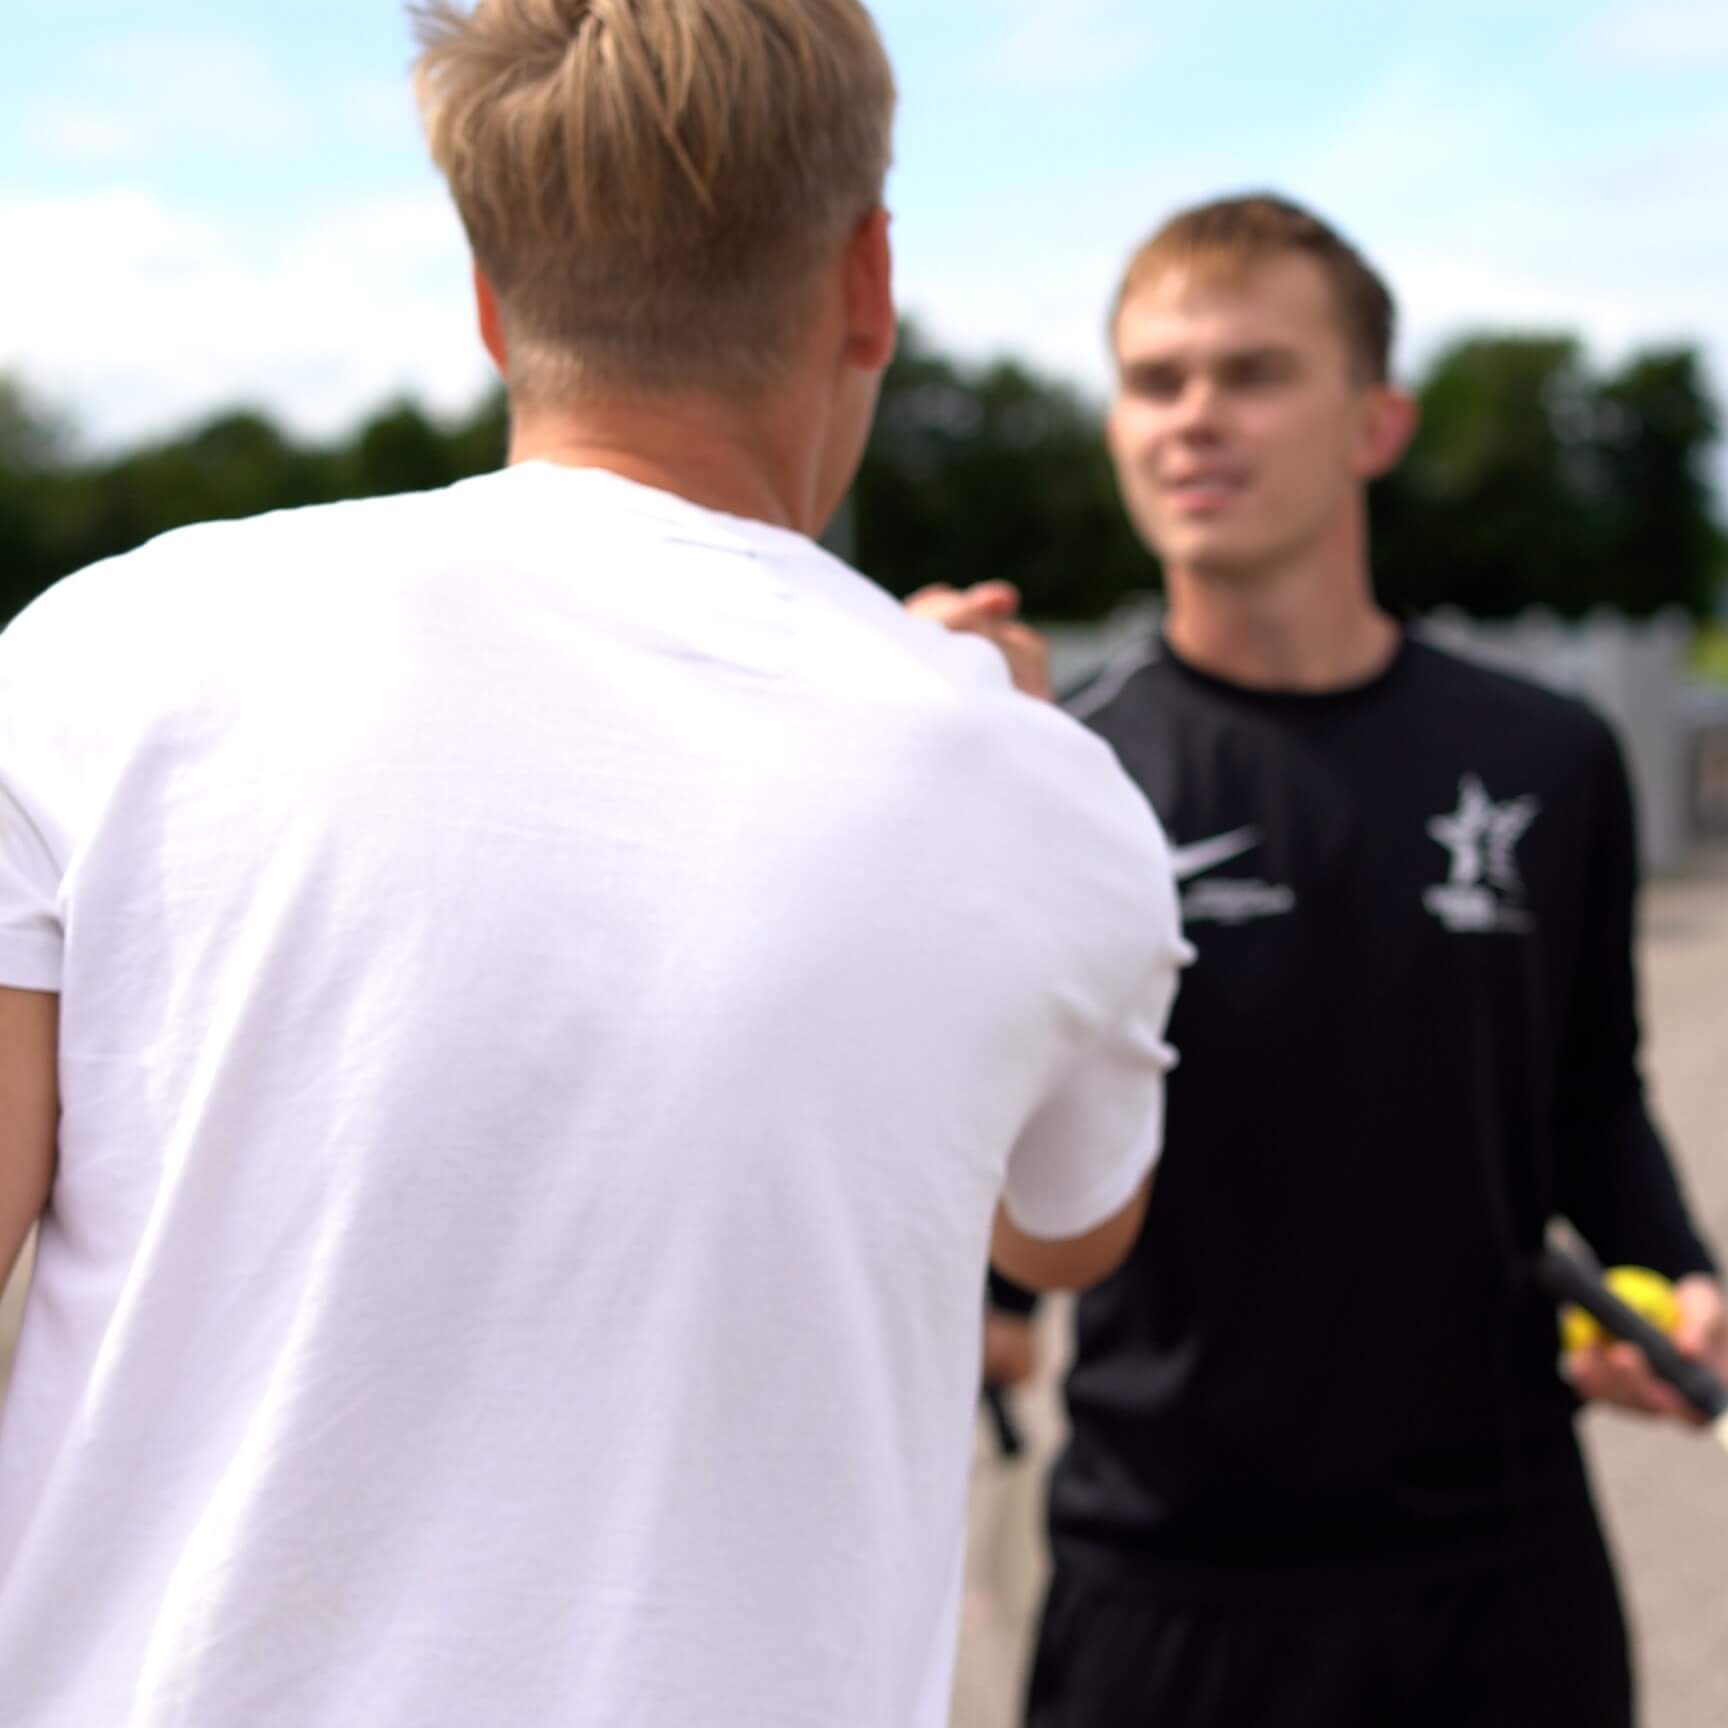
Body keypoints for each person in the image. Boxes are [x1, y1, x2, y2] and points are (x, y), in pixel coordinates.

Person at [0, 5, 1190, 1724]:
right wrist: (991, 758)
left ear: (492, 299)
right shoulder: (1049, 802)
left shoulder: (100, 657)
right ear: (867, 282)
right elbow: (1067, 1226)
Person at [998, 193, 1728, 1728]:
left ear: (1376, 423)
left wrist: (1678, 1289)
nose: (1195, 419)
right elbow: (992, 1159)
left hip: (1499, 1578)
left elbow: (1589, 1095)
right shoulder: (1051, 780)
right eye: (1155, 380)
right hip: (1169, 1584)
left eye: (1254, 373)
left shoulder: (1548, 756)